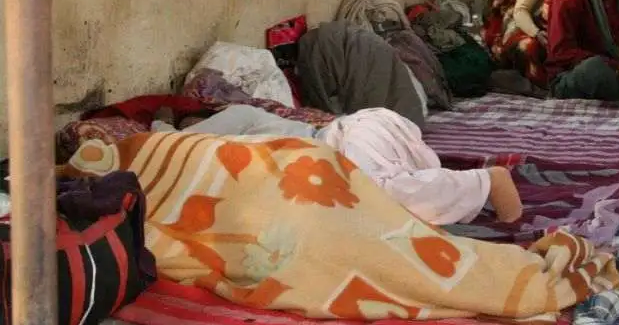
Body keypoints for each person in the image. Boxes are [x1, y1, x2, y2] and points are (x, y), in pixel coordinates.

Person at [152, 104, 523, 226]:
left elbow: (167, 142)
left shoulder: (239, 115)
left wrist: (162, 123)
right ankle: (478, 194)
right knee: (380, 205)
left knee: (379, 192)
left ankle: (488, 180)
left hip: (350, 134)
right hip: (368, 146)